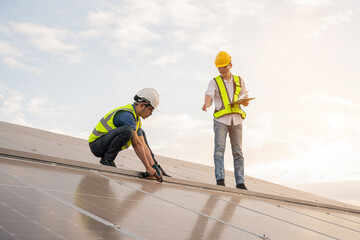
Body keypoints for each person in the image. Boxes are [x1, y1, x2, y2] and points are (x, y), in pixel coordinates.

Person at [89, 88, 169, 182]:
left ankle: (108, 159)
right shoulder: (126, 115)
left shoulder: (137, 120)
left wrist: (153, 167)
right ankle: (107, 160)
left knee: (139, 132)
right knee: (128, 130)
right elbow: (136, 144)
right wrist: (147, 167)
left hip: (104, 144)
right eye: (151, 110)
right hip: (97, 145)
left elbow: (143, 145)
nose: (151, 114)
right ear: (142, 105)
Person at [202, 51, 251, 190]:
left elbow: (244, 96)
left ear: (231, 65)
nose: (222, 70)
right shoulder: (214, 82)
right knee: (219, 150)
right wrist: (206, 104)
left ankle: (240, 182)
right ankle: (220, 180)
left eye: (225, 66)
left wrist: (246, 101)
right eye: (220, 67)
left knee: (238, 152)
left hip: (237, 120)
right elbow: (209, 94)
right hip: (221, 121)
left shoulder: (239, 80)